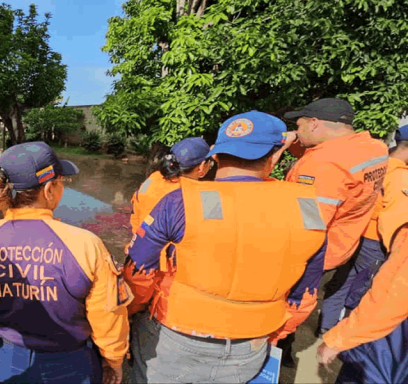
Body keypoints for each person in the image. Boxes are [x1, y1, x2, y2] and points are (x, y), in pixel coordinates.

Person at [123, 111, 327, 383]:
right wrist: (275, 333)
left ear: (215, 157)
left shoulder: (182, 200)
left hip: (174, 335)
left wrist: (132, 312)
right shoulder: (308, 209)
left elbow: (138, 272)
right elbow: (305, 295)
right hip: (252, 344)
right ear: (276, 156)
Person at [0, 141, 131, 384]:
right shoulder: (86, 244)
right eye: (62, 181)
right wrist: (113, 361)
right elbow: (107, 317)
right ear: (49, 189)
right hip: (68, 364)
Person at [283, 98, 388, 336]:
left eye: (298, 127)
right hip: (343, 244)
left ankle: (282, 348)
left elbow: (308, 223)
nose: (296, 133)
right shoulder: (373, 148)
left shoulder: (323, 164)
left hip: (311, 255)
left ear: (315, 123)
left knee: (289, 307)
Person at [316, 125, 408, 384]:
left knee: (342, 284)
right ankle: (339, 332)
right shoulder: (401, 177)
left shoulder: (375, 165)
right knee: (361, 290)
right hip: (375, 242)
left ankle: (328, 326)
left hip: (355, 234)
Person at [129, 137, 214, 235]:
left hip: (140, 242)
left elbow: (135, 212)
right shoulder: (195, 195)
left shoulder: (154, 178)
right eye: (210, 163)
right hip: (170, 248)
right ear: (202, 167)